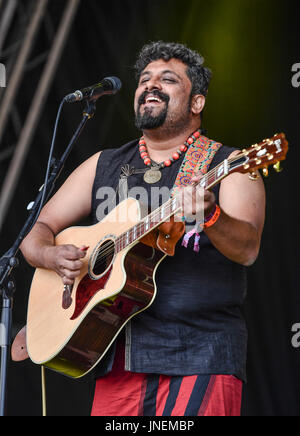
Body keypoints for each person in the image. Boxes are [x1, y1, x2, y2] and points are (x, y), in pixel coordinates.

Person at [20, 41, 266, 416]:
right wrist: (52, 255)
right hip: (112, 354)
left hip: (199, 356)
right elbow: (36, 232)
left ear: (197, 103)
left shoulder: (230, 164)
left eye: (168, 80)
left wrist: (212, 215)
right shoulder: (103, 163)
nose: (151, 85)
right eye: (144, 80)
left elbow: (247, 249)